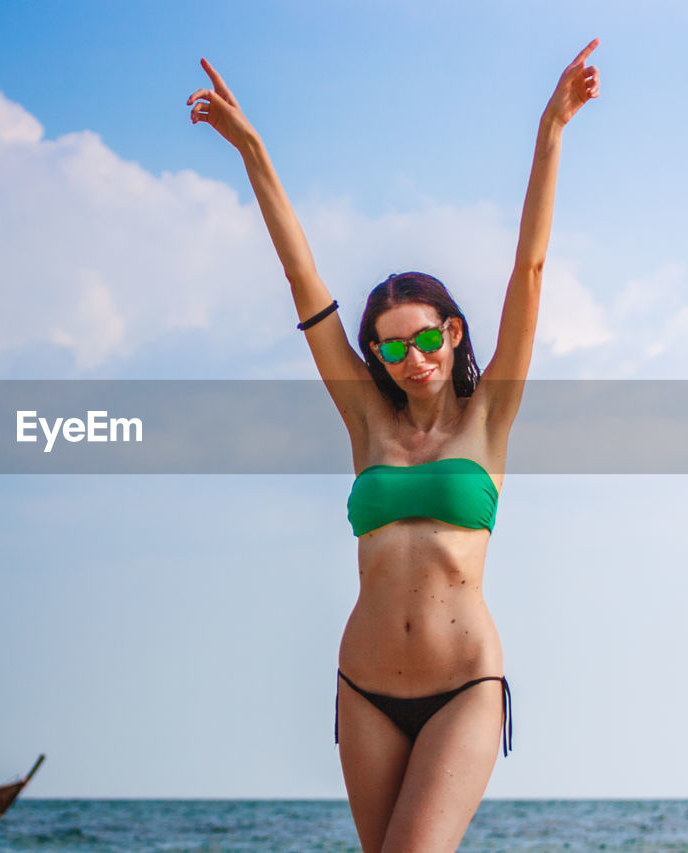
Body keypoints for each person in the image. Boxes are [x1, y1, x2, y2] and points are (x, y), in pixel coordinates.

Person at [188, 41, 600, 851]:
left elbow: (530, 270)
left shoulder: (492, 416)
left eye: (421, 341)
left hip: (463, 686)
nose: (408, 359)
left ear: (451, 333)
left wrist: (552, 131)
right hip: (364, 685)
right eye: (386, 347)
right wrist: (254, 152)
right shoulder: (364, 422)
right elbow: (303, 282)